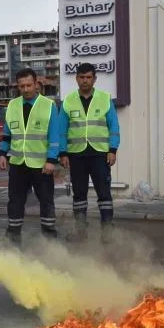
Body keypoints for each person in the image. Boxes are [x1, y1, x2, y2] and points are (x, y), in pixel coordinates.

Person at [59, 63, 121, 241]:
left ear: (94, 78)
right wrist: (63, 153)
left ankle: (107, 231)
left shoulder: (104, 99)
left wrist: (113, 149)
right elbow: (62, 130)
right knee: (79, 194)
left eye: (88, 77)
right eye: (81, 77)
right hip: (76, 155)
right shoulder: (68, 101)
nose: (85, 80)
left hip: (100, 154)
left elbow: (114, 127)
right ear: (76, 78)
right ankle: (81, 231)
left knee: (104, 193)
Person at [0, 68, 61, 241]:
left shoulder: (49, 105)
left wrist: (51, 160)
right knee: (15, 201)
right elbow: (7, 133)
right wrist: (3, 153)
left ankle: (49, 237)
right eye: (22, 86)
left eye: (29, 85)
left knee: (46, 200)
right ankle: (13, 236)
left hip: (41, 165)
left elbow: (55, 136)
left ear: (36, 85)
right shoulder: (12, 105)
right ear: (17, 86)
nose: (25, 89)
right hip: (18, 163)